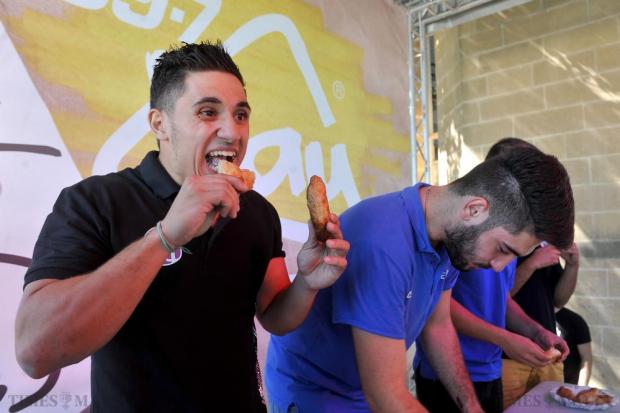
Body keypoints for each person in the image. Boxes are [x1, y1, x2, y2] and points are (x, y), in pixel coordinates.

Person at [14, 41, 350, 412]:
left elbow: (274, 314)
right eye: (208, 112)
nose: (232, 132)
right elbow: (35, 350)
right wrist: (165, 236)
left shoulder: (258, 211)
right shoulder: (94, 202)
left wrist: (306, 283)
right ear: (160, 124)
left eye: (240, 115)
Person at [266, 145, 575, 412]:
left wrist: (471, 406)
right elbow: (386, 397)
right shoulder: (384, 241)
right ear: (475, 209)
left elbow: (437, 326)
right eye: (503, 249)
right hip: (314, 393)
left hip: (360, 391)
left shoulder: (451, 239)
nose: (498, 266)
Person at [413, 138, 570, 413]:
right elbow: (437, 307)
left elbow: (502, 298)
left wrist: (535, 331)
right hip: (445, 371)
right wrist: (505, 338)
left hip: (490, 368)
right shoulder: (460, 233)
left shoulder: (509, 237)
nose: (499, 264)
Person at [503, 232, 580, 407]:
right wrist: (532, 263)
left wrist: (572, 266)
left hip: (548, 352)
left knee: (553, 408)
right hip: (508, 354)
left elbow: (559, 300)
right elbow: (499, 299)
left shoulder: (543, 243)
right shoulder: (505, 241)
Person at [556, 307, 592, 385]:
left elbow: (586, 358)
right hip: (538, 383)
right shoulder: (533, 317)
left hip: (568, 386)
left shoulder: (575, 320)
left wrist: (581, 389)